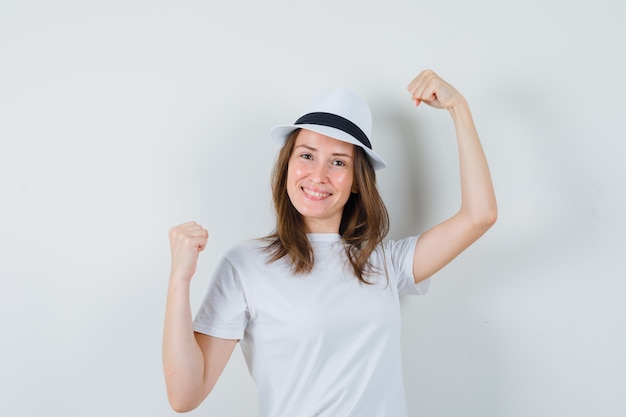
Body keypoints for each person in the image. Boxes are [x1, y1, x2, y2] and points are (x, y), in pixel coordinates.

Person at [162, 69, 497, 416]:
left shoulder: (384, 263)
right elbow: (185, 396)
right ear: (288, 164)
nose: (318, 175)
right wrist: (179, 279)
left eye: (338, 162)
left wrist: (458, 107)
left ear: (355, 181)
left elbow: (479, 215)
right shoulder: (245, 266)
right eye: (307, 155)